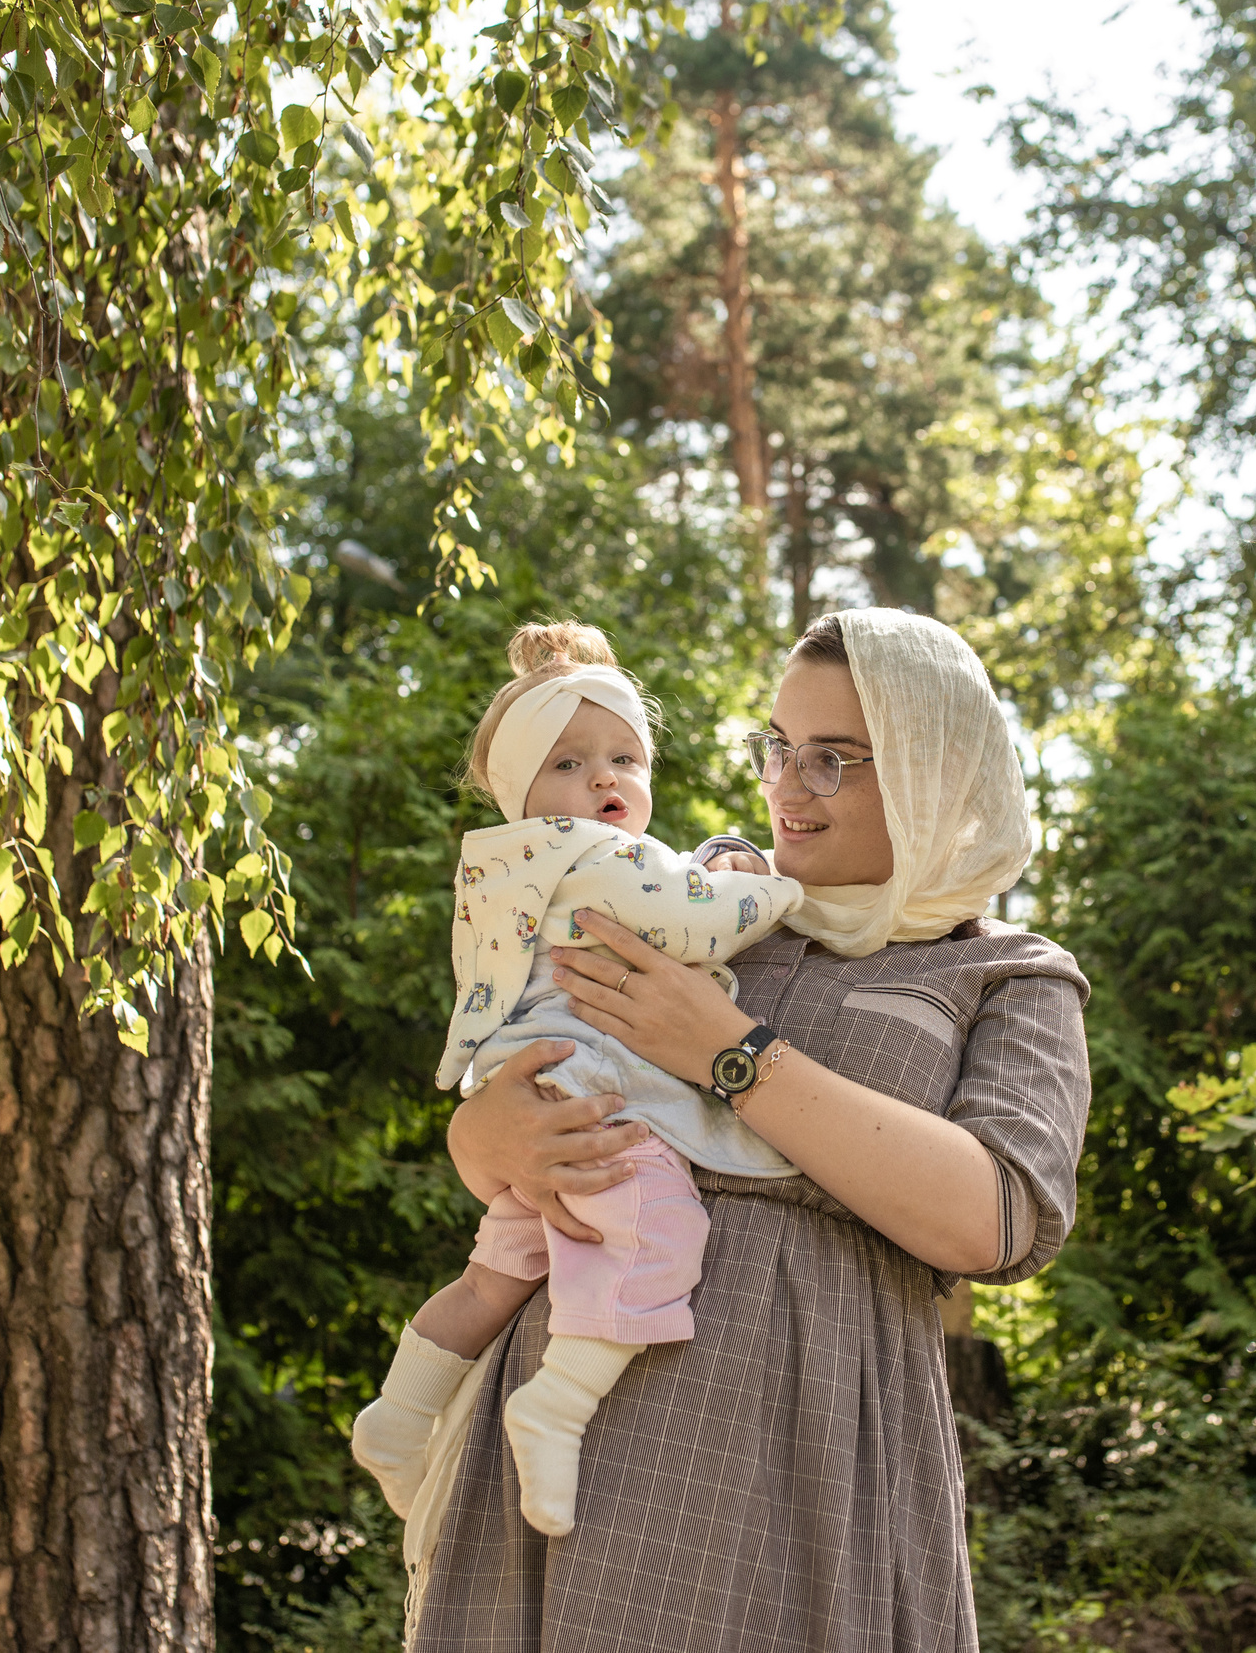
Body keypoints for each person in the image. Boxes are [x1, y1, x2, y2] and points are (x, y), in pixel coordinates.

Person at [405, 607, 1093, 1652]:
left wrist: (734, 1052)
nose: (787, 786)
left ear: (930, 768)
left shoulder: (1006, 973)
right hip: (569, 1430)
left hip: (811, 1453)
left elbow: (993, 1220)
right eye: (778, 746)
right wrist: (482, 1139)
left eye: (832, 759)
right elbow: (532, 1052)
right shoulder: (691, 894)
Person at [349, 622, 804, 1538]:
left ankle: (397, 1415)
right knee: (660, 1229)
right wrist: (776, 884)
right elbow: (696, 922)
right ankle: (556, 1406)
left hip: (542, 1088)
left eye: (624, 759)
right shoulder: (594, 855)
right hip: (596, 1092)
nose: (604, 780)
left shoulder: (513, 867)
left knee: (498, 1272)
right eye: (568, 763)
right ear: (522, 792)